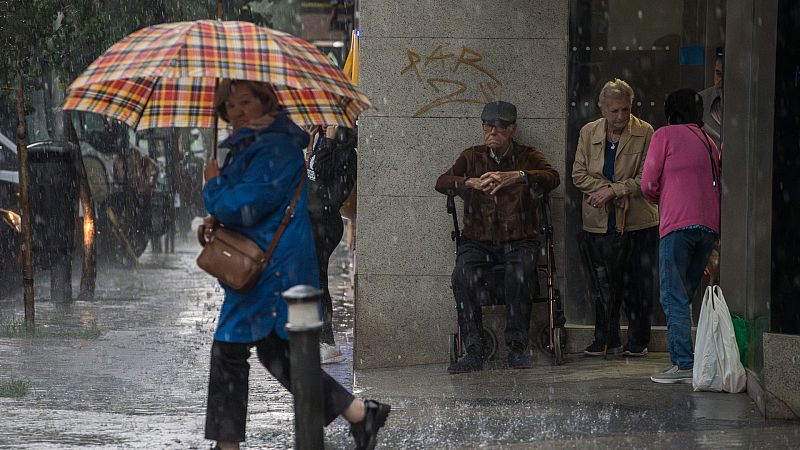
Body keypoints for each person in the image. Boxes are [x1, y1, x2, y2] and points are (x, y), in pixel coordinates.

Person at [199, 79, 389, 450]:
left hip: (274, 268)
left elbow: (247, 204)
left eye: (244, 102)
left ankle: (227, 446)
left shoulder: (275, 146)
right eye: (230, 105)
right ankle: (360, 414)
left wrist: (213, 188)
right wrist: (219, 218)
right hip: (274, 261)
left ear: (266, 102)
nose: (236, 111)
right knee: (281, 354)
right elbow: (251, 207)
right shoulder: (254, 143)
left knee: (229, 349)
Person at [435, 100, 560, 373]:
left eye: (500, 127)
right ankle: (474, 348)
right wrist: (470, 182)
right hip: (477, 240)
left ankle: (516, 346)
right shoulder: (471, 156)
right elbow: (442, 182)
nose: (493, 132)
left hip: (519, 239)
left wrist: (517, 176)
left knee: (521, 272)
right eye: (488, 126)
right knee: (461, 275)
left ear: (512, 129)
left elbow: (552, 177)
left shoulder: (527, 155)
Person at [572, 79, 659, 357]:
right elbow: (578, 174)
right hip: (598, 219)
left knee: (638, 283)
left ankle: (638, 340)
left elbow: (647, 176)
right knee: (602, 284)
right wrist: (605, 192)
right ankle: (605, 338)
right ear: (602, 109)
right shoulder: (588, 132)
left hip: (637, 220)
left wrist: (616, 189)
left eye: (625, 110)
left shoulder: (645, 131)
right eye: (614, 111)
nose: (620, 116)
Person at [641, 88, 721, 384]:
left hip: (677, 225)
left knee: (673, 296)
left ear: (670, 111)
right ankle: (692, 359)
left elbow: (648, 182)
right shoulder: (709, 142)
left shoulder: (665, 135)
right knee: (685, 295)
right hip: (707, 228)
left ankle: (683, 363)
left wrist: (663, 196)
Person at [306, 124, 357, 364]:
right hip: (311, 221)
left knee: (317, 278)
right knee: (312, 278)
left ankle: (327, 341)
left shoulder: (346, 150)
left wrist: (327, 142)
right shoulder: (318, 141)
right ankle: (316, 337)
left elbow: (327, 178)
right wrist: (311, 143)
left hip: (325, 223)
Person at [699, 48, 724, 149]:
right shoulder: (699, 101)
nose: (721, 80)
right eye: (718, 74)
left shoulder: (747, 104)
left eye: (726, 75)